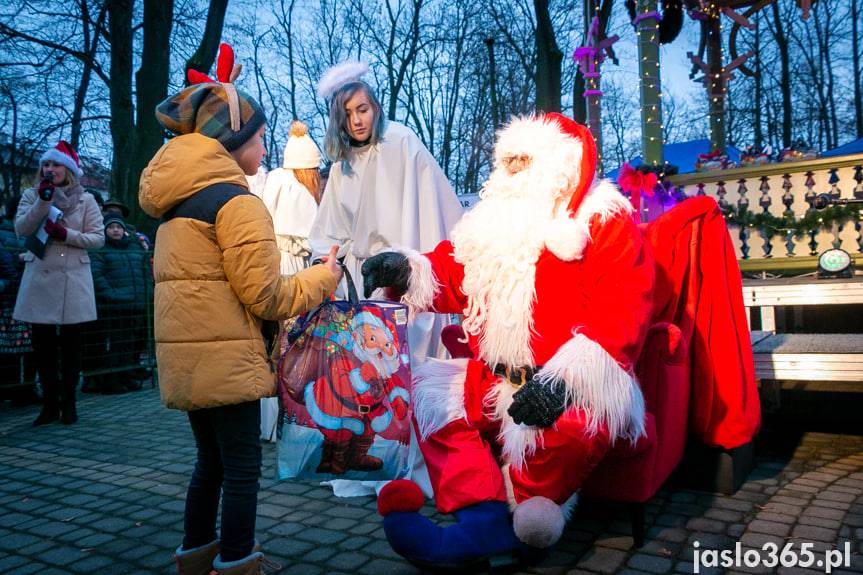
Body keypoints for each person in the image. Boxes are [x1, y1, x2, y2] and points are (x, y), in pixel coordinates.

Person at [364, 114, 656, 567]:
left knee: (574, 429)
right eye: (508, 160)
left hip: (564, 383)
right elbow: (454, 272)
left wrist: (565, 381)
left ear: (560, 164)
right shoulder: (490, 224)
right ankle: (482, 512)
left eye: (526, 159)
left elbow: (625, 308)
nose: (515, 171)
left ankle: (526, 519)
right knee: (430, 395)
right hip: (493, 377)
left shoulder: (602, 219)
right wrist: (407, 269)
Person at [139, 48, 343, 574]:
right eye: (257, 137)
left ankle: (195, 555)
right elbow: (268, 296)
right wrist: (325, 277)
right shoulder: (236, 203)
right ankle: (236, 561)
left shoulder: (177, 206)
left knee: (209, 463)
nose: (263, 146)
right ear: (231, 144)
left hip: (190, 361)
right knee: (243, 468)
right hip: (228, 362)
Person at [309, 60, 463, 497]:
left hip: (404, 276)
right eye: (348, 114)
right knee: (372, 375)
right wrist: (328, 262)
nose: (358, 120)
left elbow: (433, 203)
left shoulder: (402, 142)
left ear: (375, 106)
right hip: (365, 284)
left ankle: (417, 462)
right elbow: (332, 227)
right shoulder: (342, 167)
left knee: (410, 367)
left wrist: (420, 266)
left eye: (363, 109)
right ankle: (373, 460)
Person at [13, 140, 105, 426]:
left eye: (55, 164)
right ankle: (49, 404)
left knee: (71, 346)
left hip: (72, 278)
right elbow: (21, 229)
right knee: (42, 347)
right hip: (40, 276)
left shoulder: (86, 199)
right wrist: (43, 201)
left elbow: (98, 238)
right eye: (46, 164)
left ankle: (69, 403)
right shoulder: (32, 195)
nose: (49, 169)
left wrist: (67, 235)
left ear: (68, 170)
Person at [257, 119, 323, 441]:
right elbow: (315, 235)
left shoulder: (273, 182)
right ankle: (291, 421)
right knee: (293, 346)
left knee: (275, 345)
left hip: (274, 266)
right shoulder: (296, 187)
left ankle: (271, 424)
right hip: (294, 268)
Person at [89, 215, 153, 394]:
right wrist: (111, 294)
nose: (115, 230)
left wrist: (146, 292)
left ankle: (126, 375)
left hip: (136, 302)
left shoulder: (135, 246)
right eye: (111, 227)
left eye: (118, 227)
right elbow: (96, 275)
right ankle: (111, 380)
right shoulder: (100, 248)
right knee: (115, 343)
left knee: (129, 343)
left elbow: (145, 271)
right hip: (114, 305)